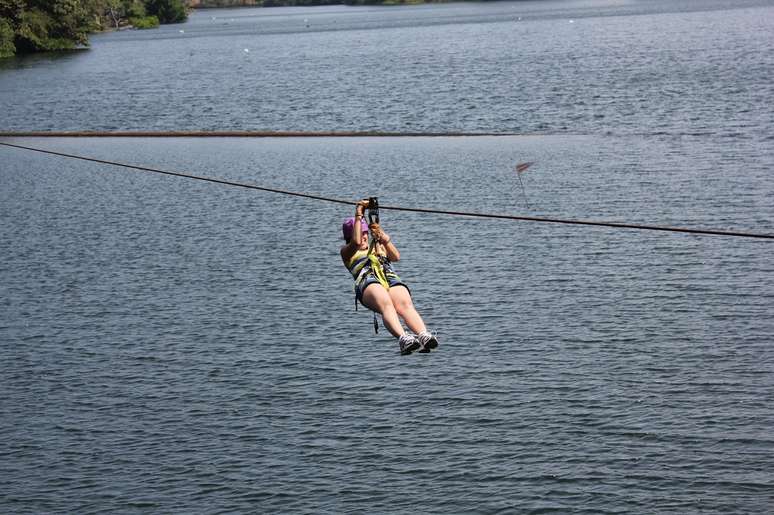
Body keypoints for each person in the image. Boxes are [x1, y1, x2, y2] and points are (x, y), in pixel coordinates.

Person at [340, 199, 438, 355]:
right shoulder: (347, 252)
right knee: (386, 304)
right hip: (368, 282)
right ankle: (403, 338)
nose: (364, 237)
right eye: (361, 233)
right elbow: (356, 241)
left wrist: (381, 236)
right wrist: (359, 214)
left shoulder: (377, 245)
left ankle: (423, 334)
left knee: (405, 304)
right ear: (350, 236)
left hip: (388, 277)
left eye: (366, 234)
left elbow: (395, 256)